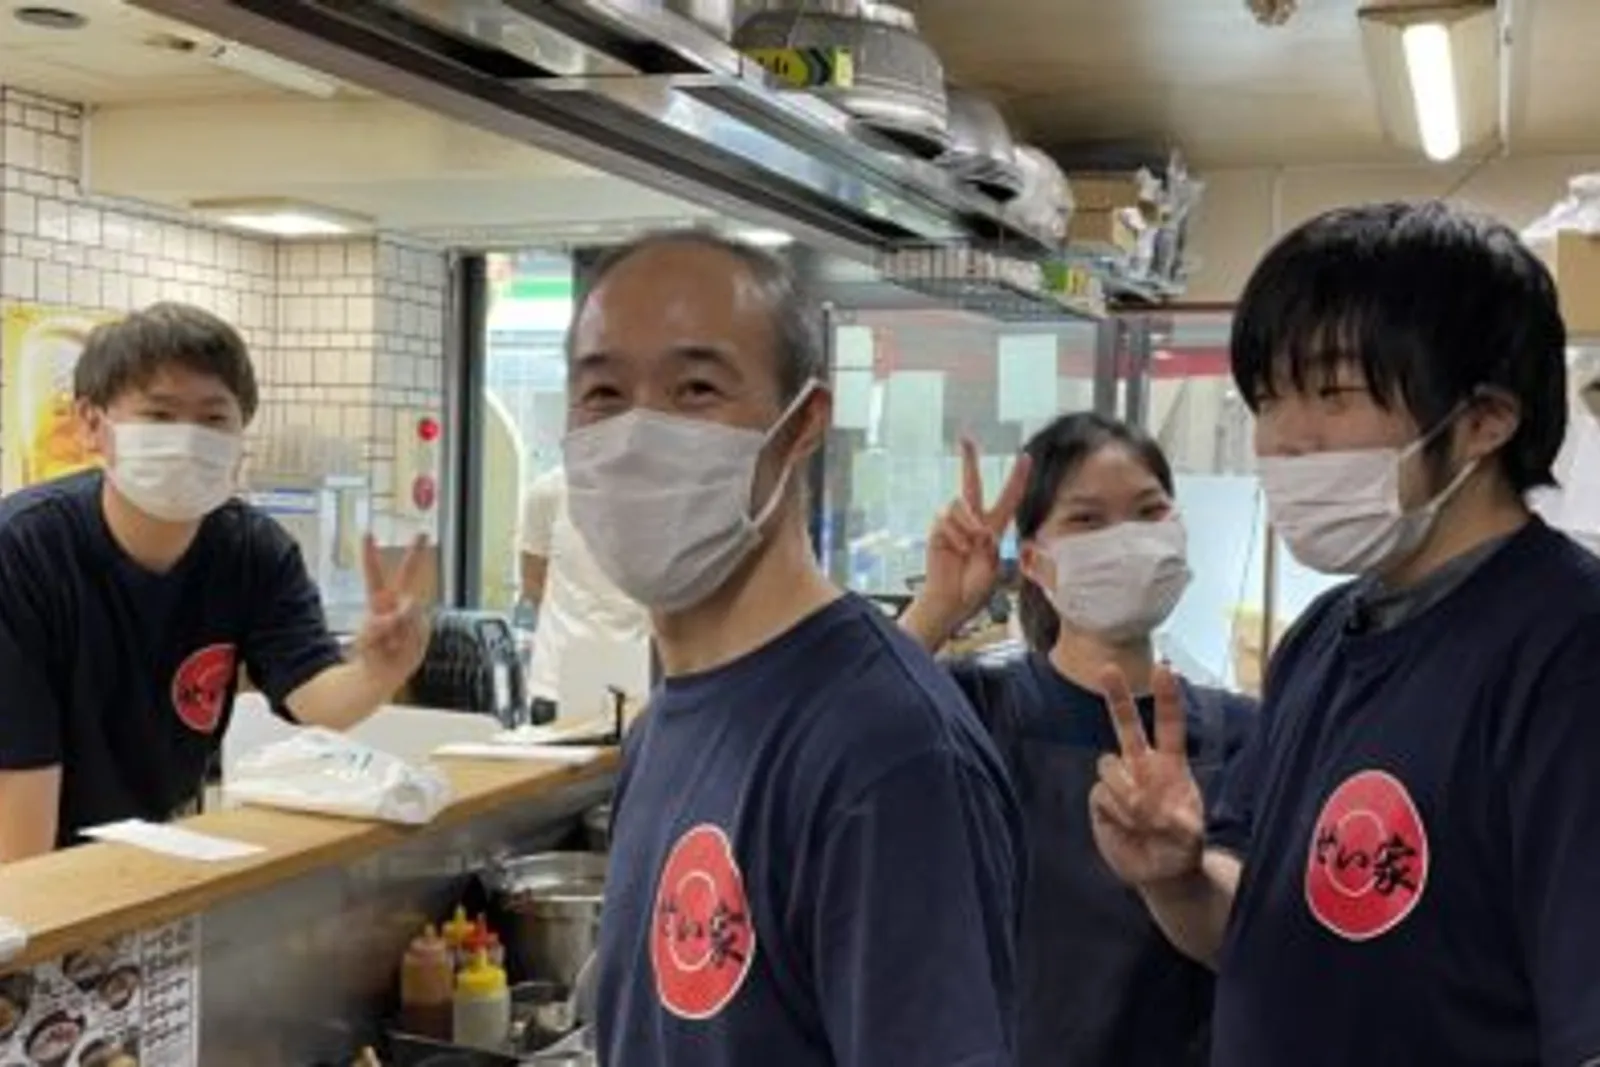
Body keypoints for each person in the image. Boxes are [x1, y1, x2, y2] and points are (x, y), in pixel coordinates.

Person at [1092, 201, 1600, 1065]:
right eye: (1267, 397)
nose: (1284, 438)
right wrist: (1175, 876)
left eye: (1332, 392)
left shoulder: (1567, 650)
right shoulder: (1329, 633)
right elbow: (1257, 933)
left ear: (1485, 418)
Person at [570, 230, 1024, 1067]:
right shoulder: (666, 725)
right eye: (603, 394)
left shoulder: (893, 754)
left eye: (696, 388)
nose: (637, 434)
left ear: (803, 422)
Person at [0, 302, 430, 860]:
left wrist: (377, 673)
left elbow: (316, 701)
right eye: (158, 416)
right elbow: (19, 776)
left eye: (213, 419)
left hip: (149, 844)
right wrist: (35, 931)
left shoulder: (254, 552)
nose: (187, 440)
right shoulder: (24, 550)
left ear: (240, 436)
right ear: (90, 424)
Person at [899, 414, 1257, 1067]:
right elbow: (825, 730)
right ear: (1034, 560)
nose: (1127, 540)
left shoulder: (1244, 733)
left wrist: (1184, 875)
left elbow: (1259, 937)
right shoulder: (972, 709)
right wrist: (937, 607)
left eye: (1149, 511)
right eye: (1088, 520)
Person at [519, 464, 649, 717]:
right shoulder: (549, 491)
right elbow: (533, 583)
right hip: (556, 684)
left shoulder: (660, 494)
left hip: (636, 685)